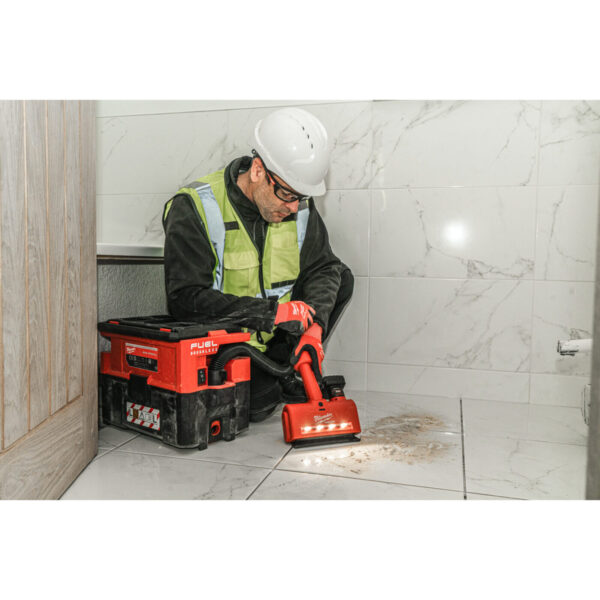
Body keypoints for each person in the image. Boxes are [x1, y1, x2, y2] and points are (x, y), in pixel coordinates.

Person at [162, 107, 354, 422]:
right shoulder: (195, 207)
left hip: (278, 339)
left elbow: (324, 268)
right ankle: (278, 379)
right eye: (287, 194)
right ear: (257, 170)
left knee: (341, 278)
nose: (293, 208)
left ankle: (287, 368)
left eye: (300, 198)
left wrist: (314, 329)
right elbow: (185, 299)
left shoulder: (297, 206)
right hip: (227, 345)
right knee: (257, 405)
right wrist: (272, 313)